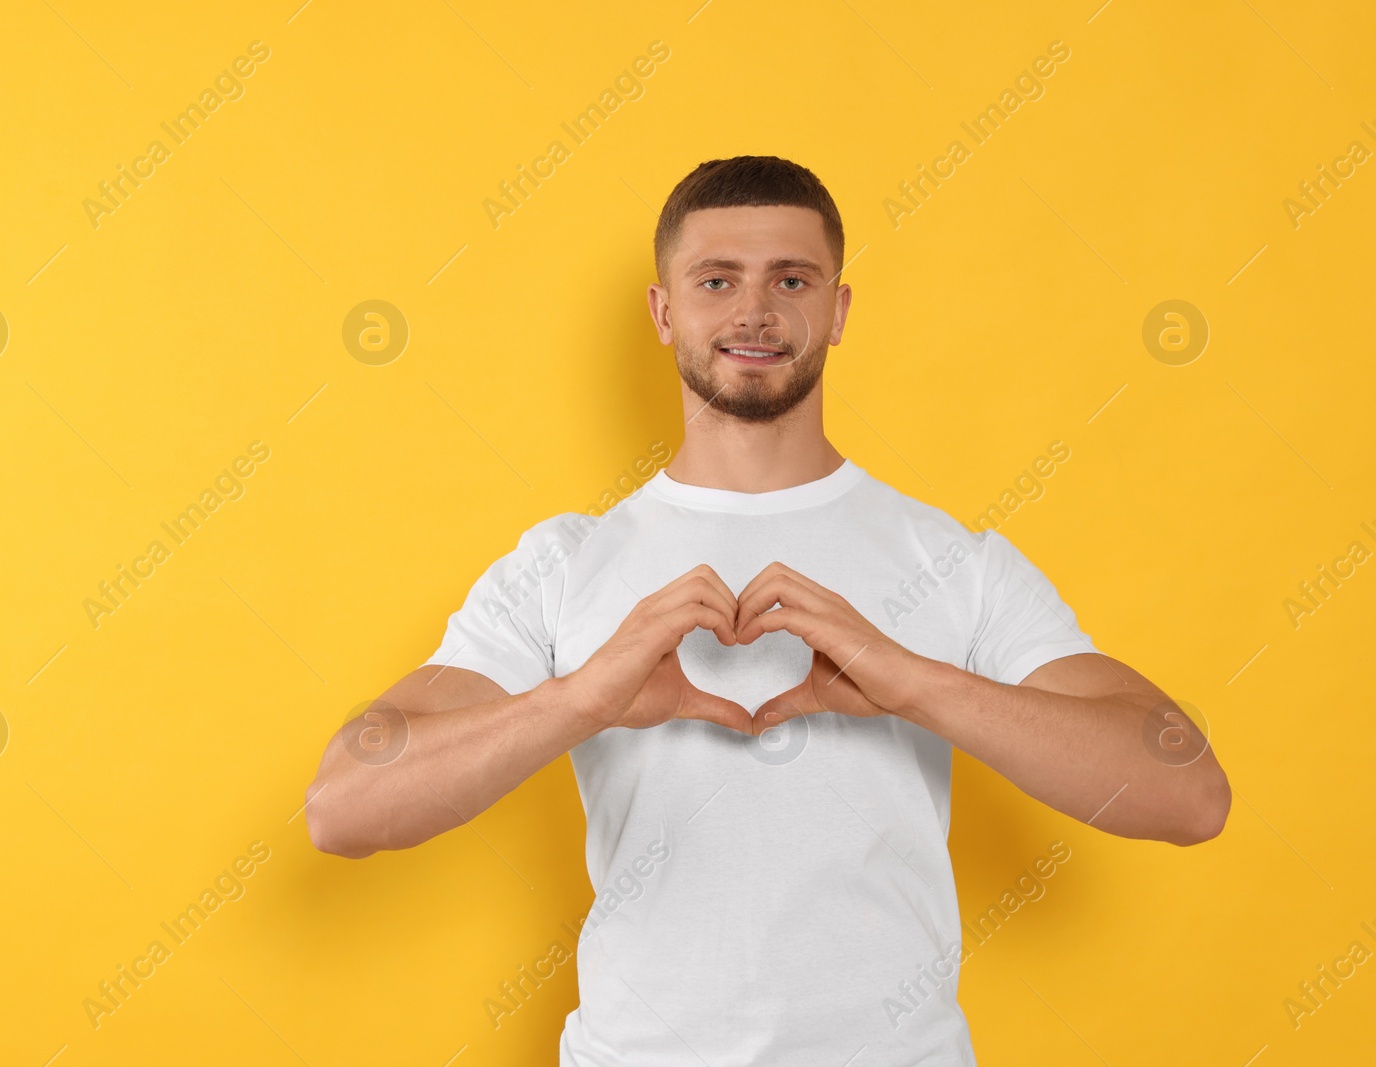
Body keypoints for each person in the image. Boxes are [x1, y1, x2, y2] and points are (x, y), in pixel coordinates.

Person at [306, 155, 1230, 1065]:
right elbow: (344, 807)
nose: (754, 309)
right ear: (664, 312)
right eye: (717, 280)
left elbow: (1187, 792)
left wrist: (913, 682)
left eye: (792, 278)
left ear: (838, 310)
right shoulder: (563, 563)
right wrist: (581, 699)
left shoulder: (953, 561)